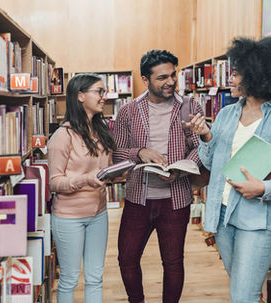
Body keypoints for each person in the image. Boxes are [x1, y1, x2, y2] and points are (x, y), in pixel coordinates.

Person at [184, 37, 271, 302]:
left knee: (243, 295)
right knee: (244, 291)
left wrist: (265, 188)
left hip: (259, 219)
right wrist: (207, 137)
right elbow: (212, 165)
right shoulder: (226, 114)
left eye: (235, 74)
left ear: (257, 75)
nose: (230, 80)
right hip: (222, 216)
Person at [113, 49, 204, 303]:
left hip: (176, 200)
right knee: (127, 259)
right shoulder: (128, 111)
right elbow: (118, 154)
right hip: (137, 199)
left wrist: (183, 168)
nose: (171, 82)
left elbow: (200, 146)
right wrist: (140, 152)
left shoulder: (189, 106)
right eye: (162, 77)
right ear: (145, 80)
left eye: (173, 75)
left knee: (173, 262)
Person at [47, 73, 115, 303]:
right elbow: (54, 183)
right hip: (69, 218)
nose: (104, 97)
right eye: (99, 91)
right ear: (80, 96)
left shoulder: (101, 131)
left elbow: (105, 169)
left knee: (95, 277)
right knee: (70, 278)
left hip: (99, 214)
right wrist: (86, 179)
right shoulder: (62, 136)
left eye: (103, 91)